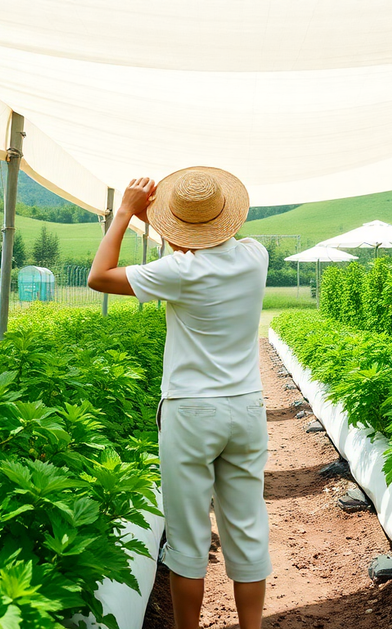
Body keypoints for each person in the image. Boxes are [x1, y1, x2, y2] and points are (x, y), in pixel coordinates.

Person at [88, 167, 271, 629]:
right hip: (247, 407)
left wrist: (128, 213)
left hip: (192, 412)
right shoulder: (255, 256)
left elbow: (99, 276)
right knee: (248, 531)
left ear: (178, 230)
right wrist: (185, 227)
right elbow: (208, 241)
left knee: (188, 540)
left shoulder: (179, 272)